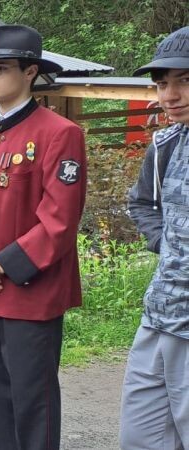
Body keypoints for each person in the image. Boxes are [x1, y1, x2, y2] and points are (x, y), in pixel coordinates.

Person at [0, 25, 87, 450]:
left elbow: (59, 221)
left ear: (30, 72)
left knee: (32, 401)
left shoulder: (59, 133)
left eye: (1, 68)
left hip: (29, 292)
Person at [121, 26, 189, 449]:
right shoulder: (164, 144)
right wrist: (167, 245)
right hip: (160, 313)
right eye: (163, 84)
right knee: (140, 436)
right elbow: (141, 203)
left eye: (184, 80)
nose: (170, 94)